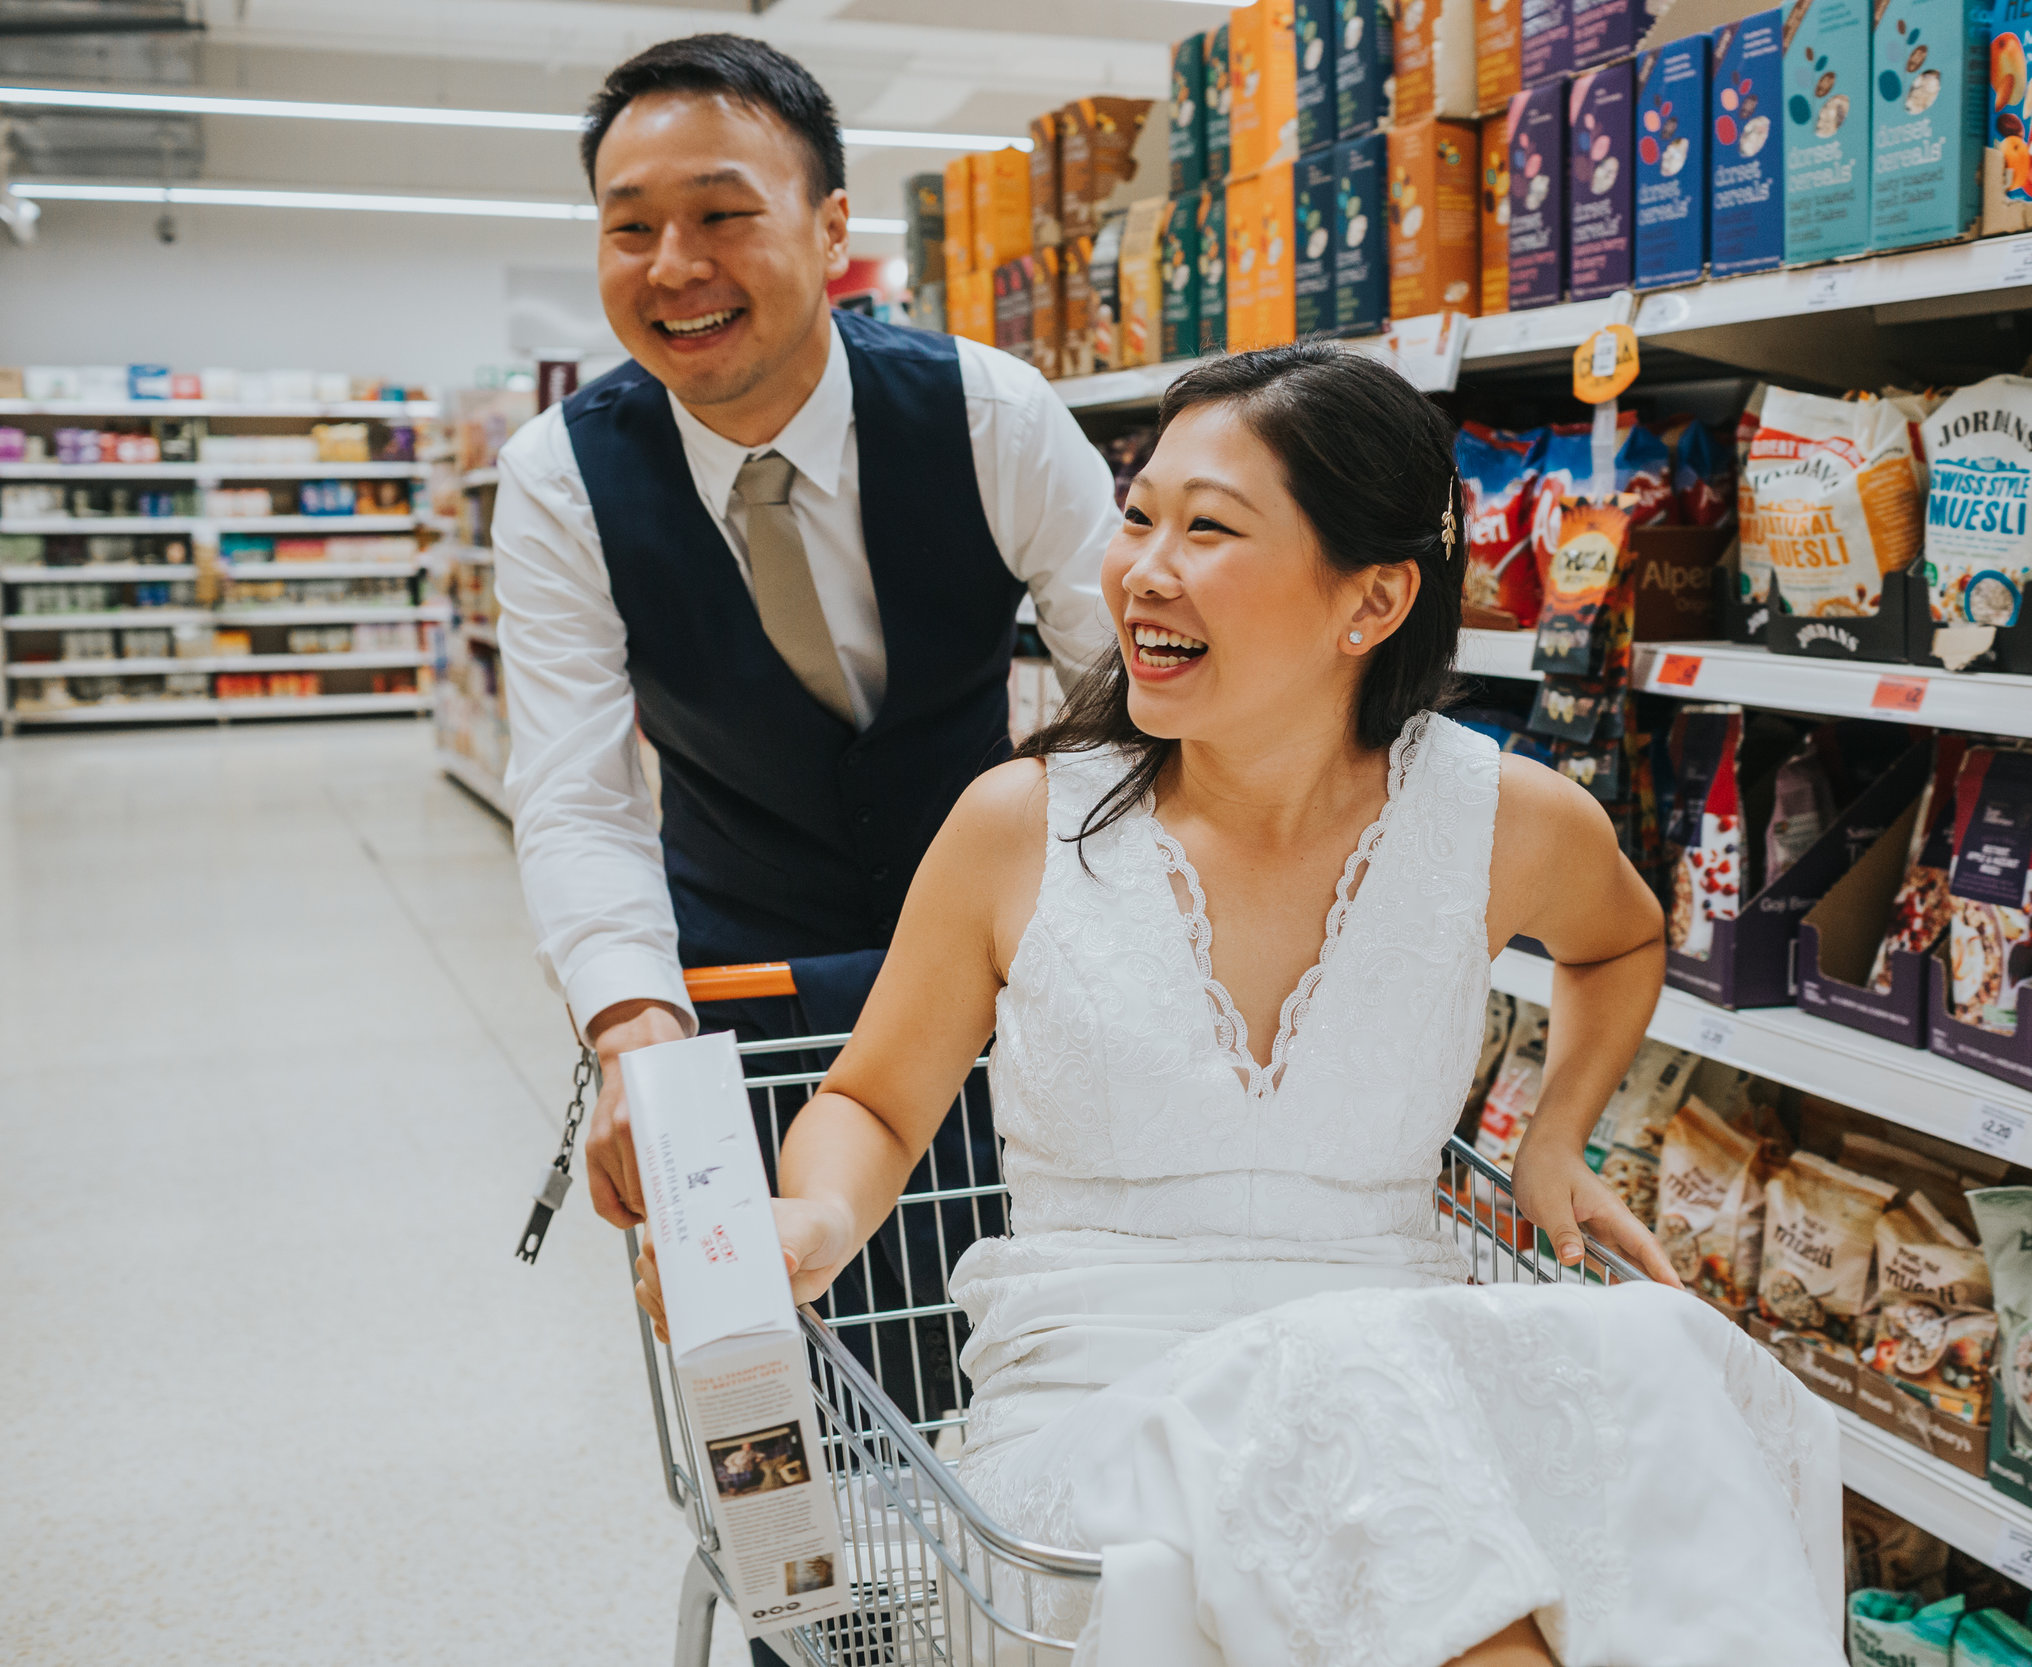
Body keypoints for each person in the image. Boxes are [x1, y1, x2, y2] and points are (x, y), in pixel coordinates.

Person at [636, 343, 1843, 1667]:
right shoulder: (1019, 828)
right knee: (1379, 1437)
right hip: (1098, 1424)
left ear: (1371, 600)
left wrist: (1557, 1136)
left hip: (1404, 1370)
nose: (1142, 570)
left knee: (1657, 1365)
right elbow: (872, 1098)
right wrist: (814, 1209)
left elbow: (1618, 941)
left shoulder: (1497, 821)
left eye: (1208, 529)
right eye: (1138, 514)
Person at [492, 32, 1116, 1406]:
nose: (674, 267)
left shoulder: (987, 413)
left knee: (1035, 1361)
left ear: (832, 227)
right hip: (737, 992)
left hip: (1012, 978)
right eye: (631, 228)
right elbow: (579, 792)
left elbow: (1129, 673)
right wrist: (635, 1032)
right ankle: (824, 1626)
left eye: (722, 214)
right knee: (795, 1413)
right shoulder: (560, 480)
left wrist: (1108, 892)